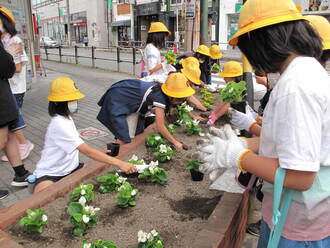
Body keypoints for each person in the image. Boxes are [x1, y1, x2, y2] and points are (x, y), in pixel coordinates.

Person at [198, 0, 330, 247]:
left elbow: (300, 177)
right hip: (294, 213)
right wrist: (243, 142)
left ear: (262, 41)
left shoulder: (297, 86)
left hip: (299, 222)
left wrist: (239, 157)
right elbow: (288, 142)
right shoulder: (304, 72)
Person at [33, 77, 137, 193]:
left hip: (72, 168)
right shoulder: (59, 124)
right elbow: (87, 151)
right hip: (51, 173)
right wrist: (120, 163)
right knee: (44, 195)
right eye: (70, 100)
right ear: (57, 103)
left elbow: (79, 145)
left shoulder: (66, 118)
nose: (74, 103)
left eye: (74, 99)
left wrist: (101, 154)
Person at [97, 72, 195, 150]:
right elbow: (160, 126)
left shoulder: (161, 91)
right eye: (180, 99)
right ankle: (108, 155)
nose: (180, 101)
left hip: (128, 98)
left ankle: (115, 148)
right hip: (118, 98)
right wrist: (175, 142)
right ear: (172, 95)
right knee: (123, 135)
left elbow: (147, 102)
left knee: (134, 132)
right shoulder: (159, 97)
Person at [0, 22, 31, 194]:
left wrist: (8, 56)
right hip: (4, 93)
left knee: (10, 134)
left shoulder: (13, 40)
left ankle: (21, 174)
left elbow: (13, 68)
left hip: (8, 91)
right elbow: (7, 68)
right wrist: (8, 55)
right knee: (3, 138)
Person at [0, 6, 34, 162]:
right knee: (10, 122)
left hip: (15, 88)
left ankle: (24, 144)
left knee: (13, 120)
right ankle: (17, 148)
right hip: (7, 88)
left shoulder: (15, 40)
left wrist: (7, 59)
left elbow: (19, 68)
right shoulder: (4, 41)